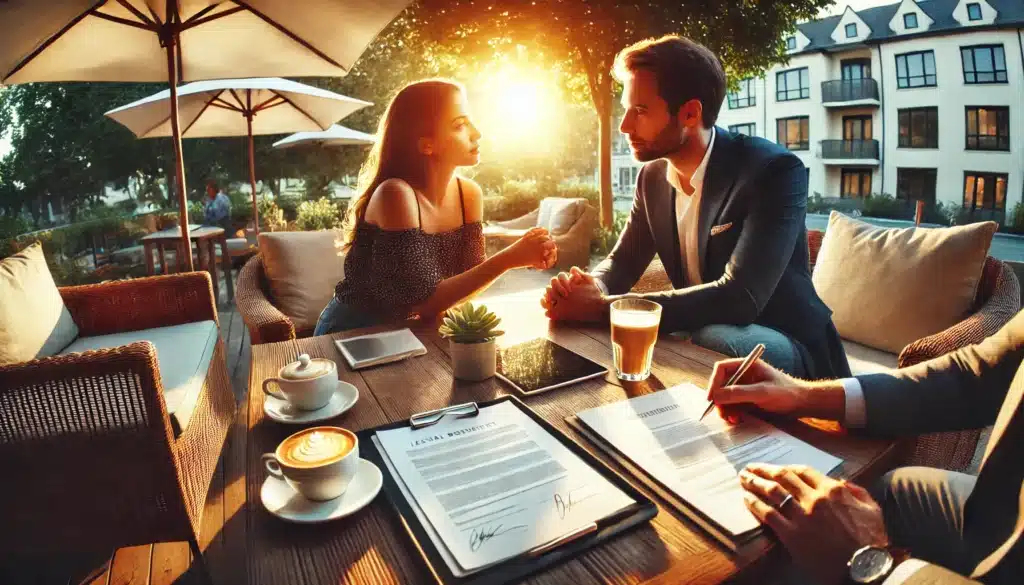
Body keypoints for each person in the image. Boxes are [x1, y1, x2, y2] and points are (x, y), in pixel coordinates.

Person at [541, 35, 848, 379]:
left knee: (710, 339)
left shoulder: (773, 171)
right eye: (627, 110)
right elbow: (623, 261)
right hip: (703, 331)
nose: (625, 126)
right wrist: (589, 287)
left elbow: (740, 298)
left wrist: (601, 309)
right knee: (682, 339)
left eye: (640, 111)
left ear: (689, 112)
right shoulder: (652, 178)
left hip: (788, 342)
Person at [706, 310, 1024, 585]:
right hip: (1004, 503)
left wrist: (875, 565)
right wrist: (805, 396)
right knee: (892, 489)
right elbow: (984, 370)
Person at [315, 79, 556, 335]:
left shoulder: (469, 195)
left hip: (413, 333)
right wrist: (509, 258)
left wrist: (528, 251)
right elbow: (423, 301)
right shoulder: (395, 194)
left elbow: (465, 284)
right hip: (354, 333)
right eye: (460, 125)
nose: (476, 133)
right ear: (426, 144)